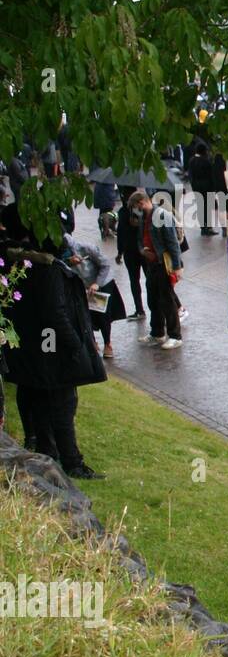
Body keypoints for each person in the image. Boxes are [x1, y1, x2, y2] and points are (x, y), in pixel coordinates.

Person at [1, 203, 107, 479]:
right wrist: (74, 345)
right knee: (62, 403)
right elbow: (55, 314)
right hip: (53, 351)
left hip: (38, 349)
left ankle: (48, 449)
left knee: (40, 398)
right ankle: (70, 460)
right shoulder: (48, 272)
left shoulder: (28, 266)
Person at [130, 191, 183, 350]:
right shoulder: (143, 218)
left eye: (135, 206)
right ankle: (157, 332)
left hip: (162, 263)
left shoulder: (161, 216)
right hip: (152, 263)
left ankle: (175, 335)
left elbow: (172, 242)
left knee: (167, 299)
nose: (135, 210)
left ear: (141, 202)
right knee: (153, 298)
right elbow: (140, 238)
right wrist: (142, 251)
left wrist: (177, 266)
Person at [63, 231, 124, 360]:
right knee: (85, 315)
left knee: (103, 316)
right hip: (84, 287)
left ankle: (108, 343)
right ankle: (92, 342)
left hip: (102, 282)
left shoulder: (87, 249)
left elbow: (105, 265)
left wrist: (97, 283)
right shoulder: (64, 258)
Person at [113, 185, 146, 320]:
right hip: (141, 250)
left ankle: (140, 309)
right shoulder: (142, 211)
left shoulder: (124, 212)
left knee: (135, 281)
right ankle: (141, 309)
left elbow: (121, 233)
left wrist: (120, 251)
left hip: (133, 251)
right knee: (141, 280)